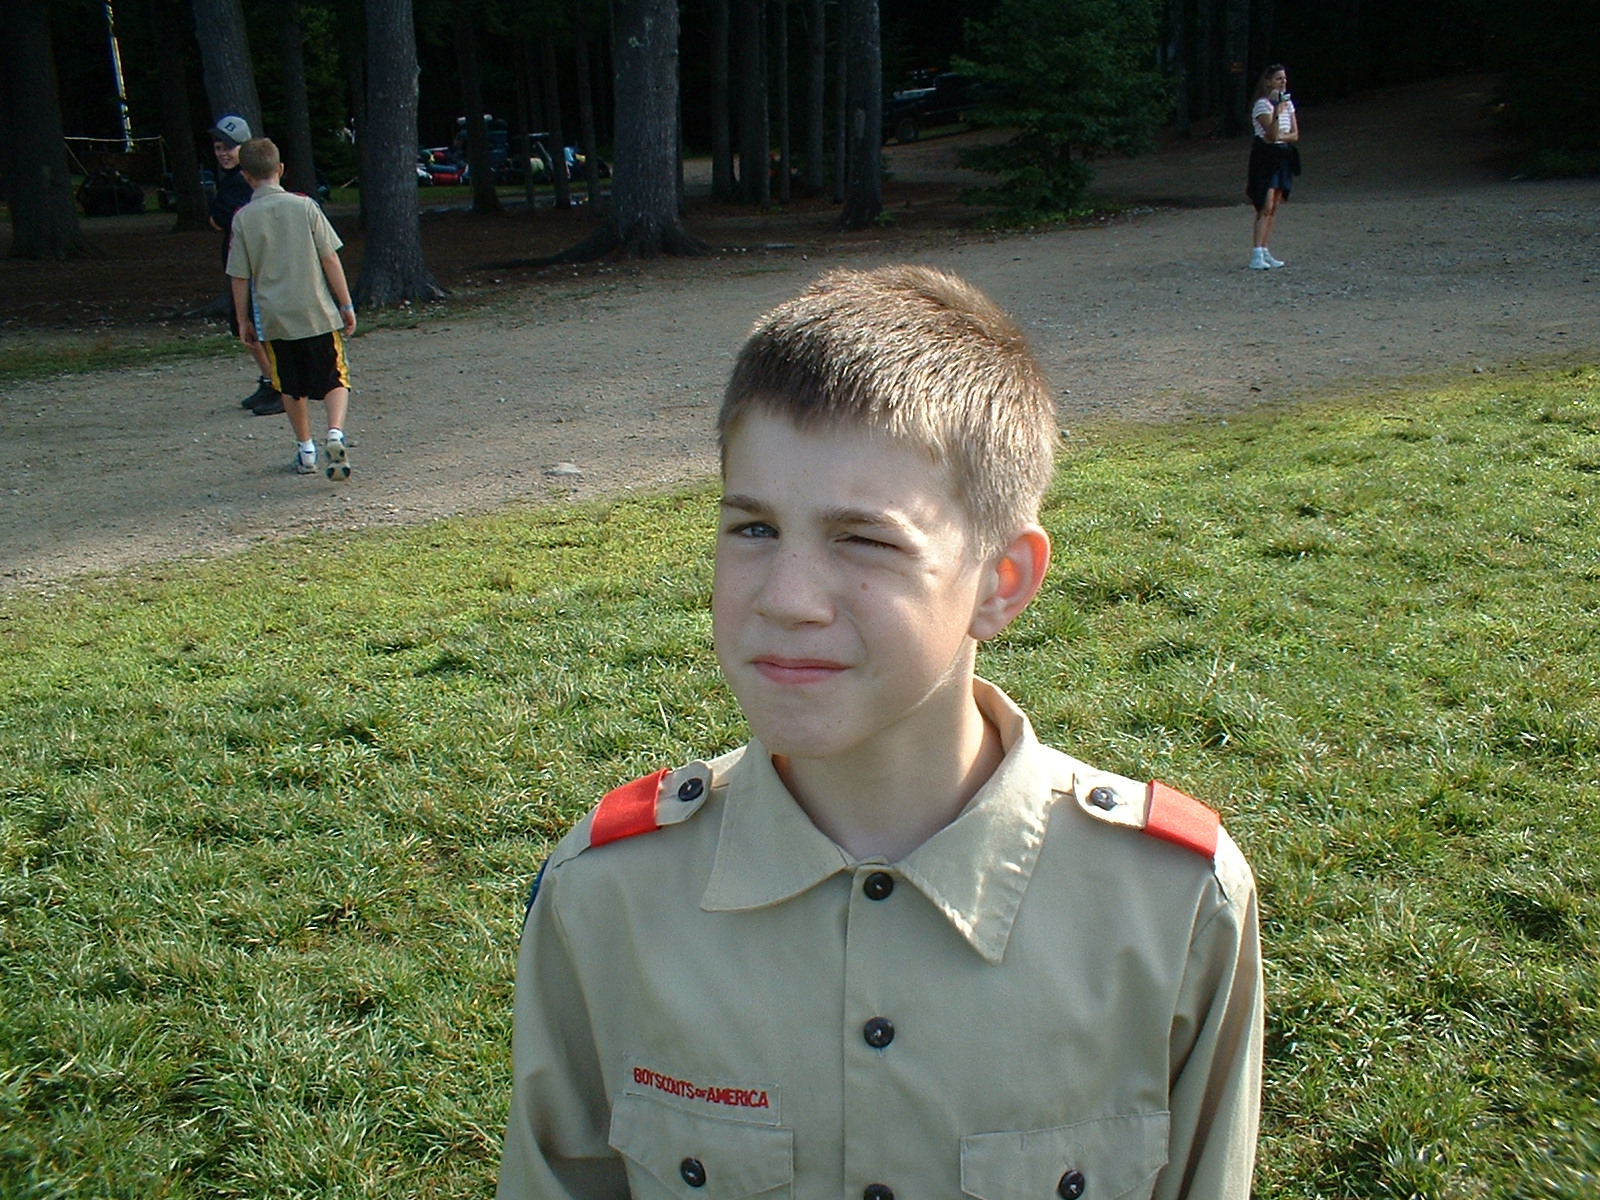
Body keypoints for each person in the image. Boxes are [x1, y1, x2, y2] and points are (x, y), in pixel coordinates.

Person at [497, 266, 1264, 1200]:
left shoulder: (1174, 908)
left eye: (864, 540)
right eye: (753, 529)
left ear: (1002, 582)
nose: (787, 599)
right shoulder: (607, 898)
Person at [225, 138, 357, 480]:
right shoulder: (305, 207)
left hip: (276, 320)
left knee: (290, 386)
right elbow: (330, 258)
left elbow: (239, 276)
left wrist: (243, 319)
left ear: (245, 175)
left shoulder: (243, 218)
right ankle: (335, 432)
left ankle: (306, 449)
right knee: (335, 378)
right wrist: (345, 303)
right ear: (281, 169)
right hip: (317, 312)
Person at [207, 115, 282, 415]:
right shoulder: (233, 181)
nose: (224, 153)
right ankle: (269, 379)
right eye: (218, 148)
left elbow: (218, 220)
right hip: (241, 262)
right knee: (248, 328)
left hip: (252, 266)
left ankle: (278, 385)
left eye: (230, 147)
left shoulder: (243, 183)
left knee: (252, 328)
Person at [1246, 64, 1299, 270]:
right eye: (1278, 79)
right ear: (1268, 82)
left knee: (1275, 205)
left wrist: (1280, 136)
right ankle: (1256, 252)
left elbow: (1294, 134)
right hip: (1266, 159)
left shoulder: (1289, 104)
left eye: (1284, 78)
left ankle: (1265, 248)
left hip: (1282, 155)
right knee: (1265, 205)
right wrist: (1276, 110)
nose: (1283, 82)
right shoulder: (1262, 106)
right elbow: (1270, 134)